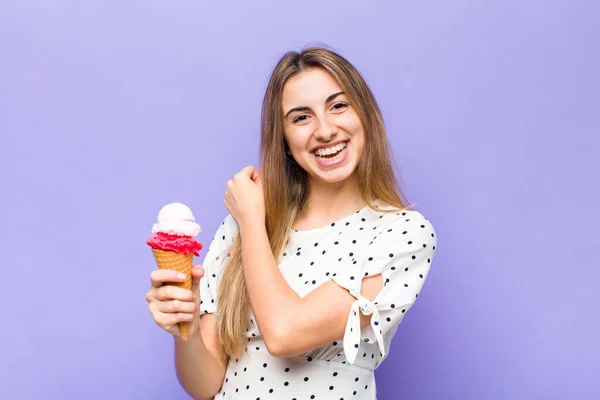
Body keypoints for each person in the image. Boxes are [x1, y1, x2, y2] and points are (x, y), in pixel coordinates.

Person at [145, 46, 438, 400]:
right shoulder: (242, 224)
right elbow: (205, 386)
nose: (325, 130)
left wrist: (252, 219)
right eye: (301, 118)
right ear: (283, 139)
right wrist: (184, 328)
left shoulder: (402, 233)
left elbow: (284, 333)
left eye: (338, 106)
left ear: (365, 115)